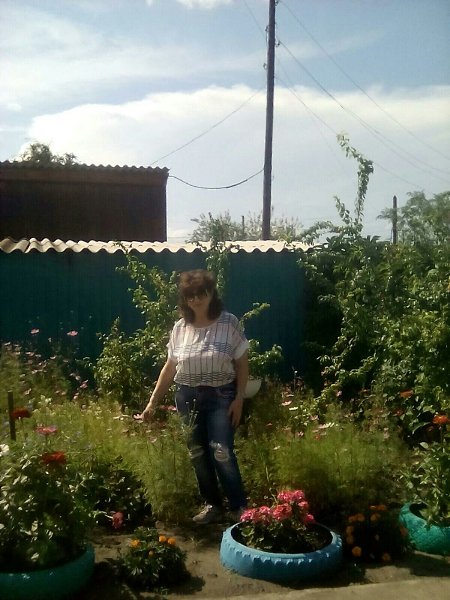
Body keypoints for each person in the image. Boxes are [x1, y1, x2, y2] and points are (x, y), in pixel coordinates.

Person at [137, 269, 249, 524]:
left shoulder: (228, 323)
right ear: (185, 299)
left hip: (221, 396)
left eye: (202, 294)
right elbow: (170, 367)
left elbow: (242, 364)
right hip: (187, 398)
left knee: (221, 450)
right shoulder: (180, 328)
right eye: (191, 296)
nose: (197, 300)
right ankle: (212, 506)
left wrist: (239, 399)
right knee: (197, 453)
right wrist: (152, 403)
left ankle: (239, 507)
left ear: (211, 294)